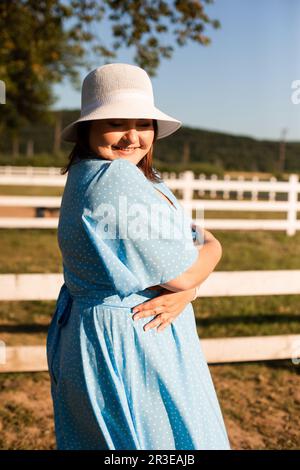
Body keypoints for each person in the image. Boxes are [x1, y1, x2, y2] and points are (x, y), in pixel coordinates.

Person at [46, 63, 231, 450]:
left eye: (143, 122)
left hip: (97, 331)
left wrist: (188, 279)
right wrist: (212, 253)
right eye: (116, 121)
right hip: (133, 335)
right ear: (88, 129)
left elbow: (179, 245)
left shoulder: (91, 172)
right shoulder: (115, 178)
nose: (133, 135)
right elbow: (183, 271)